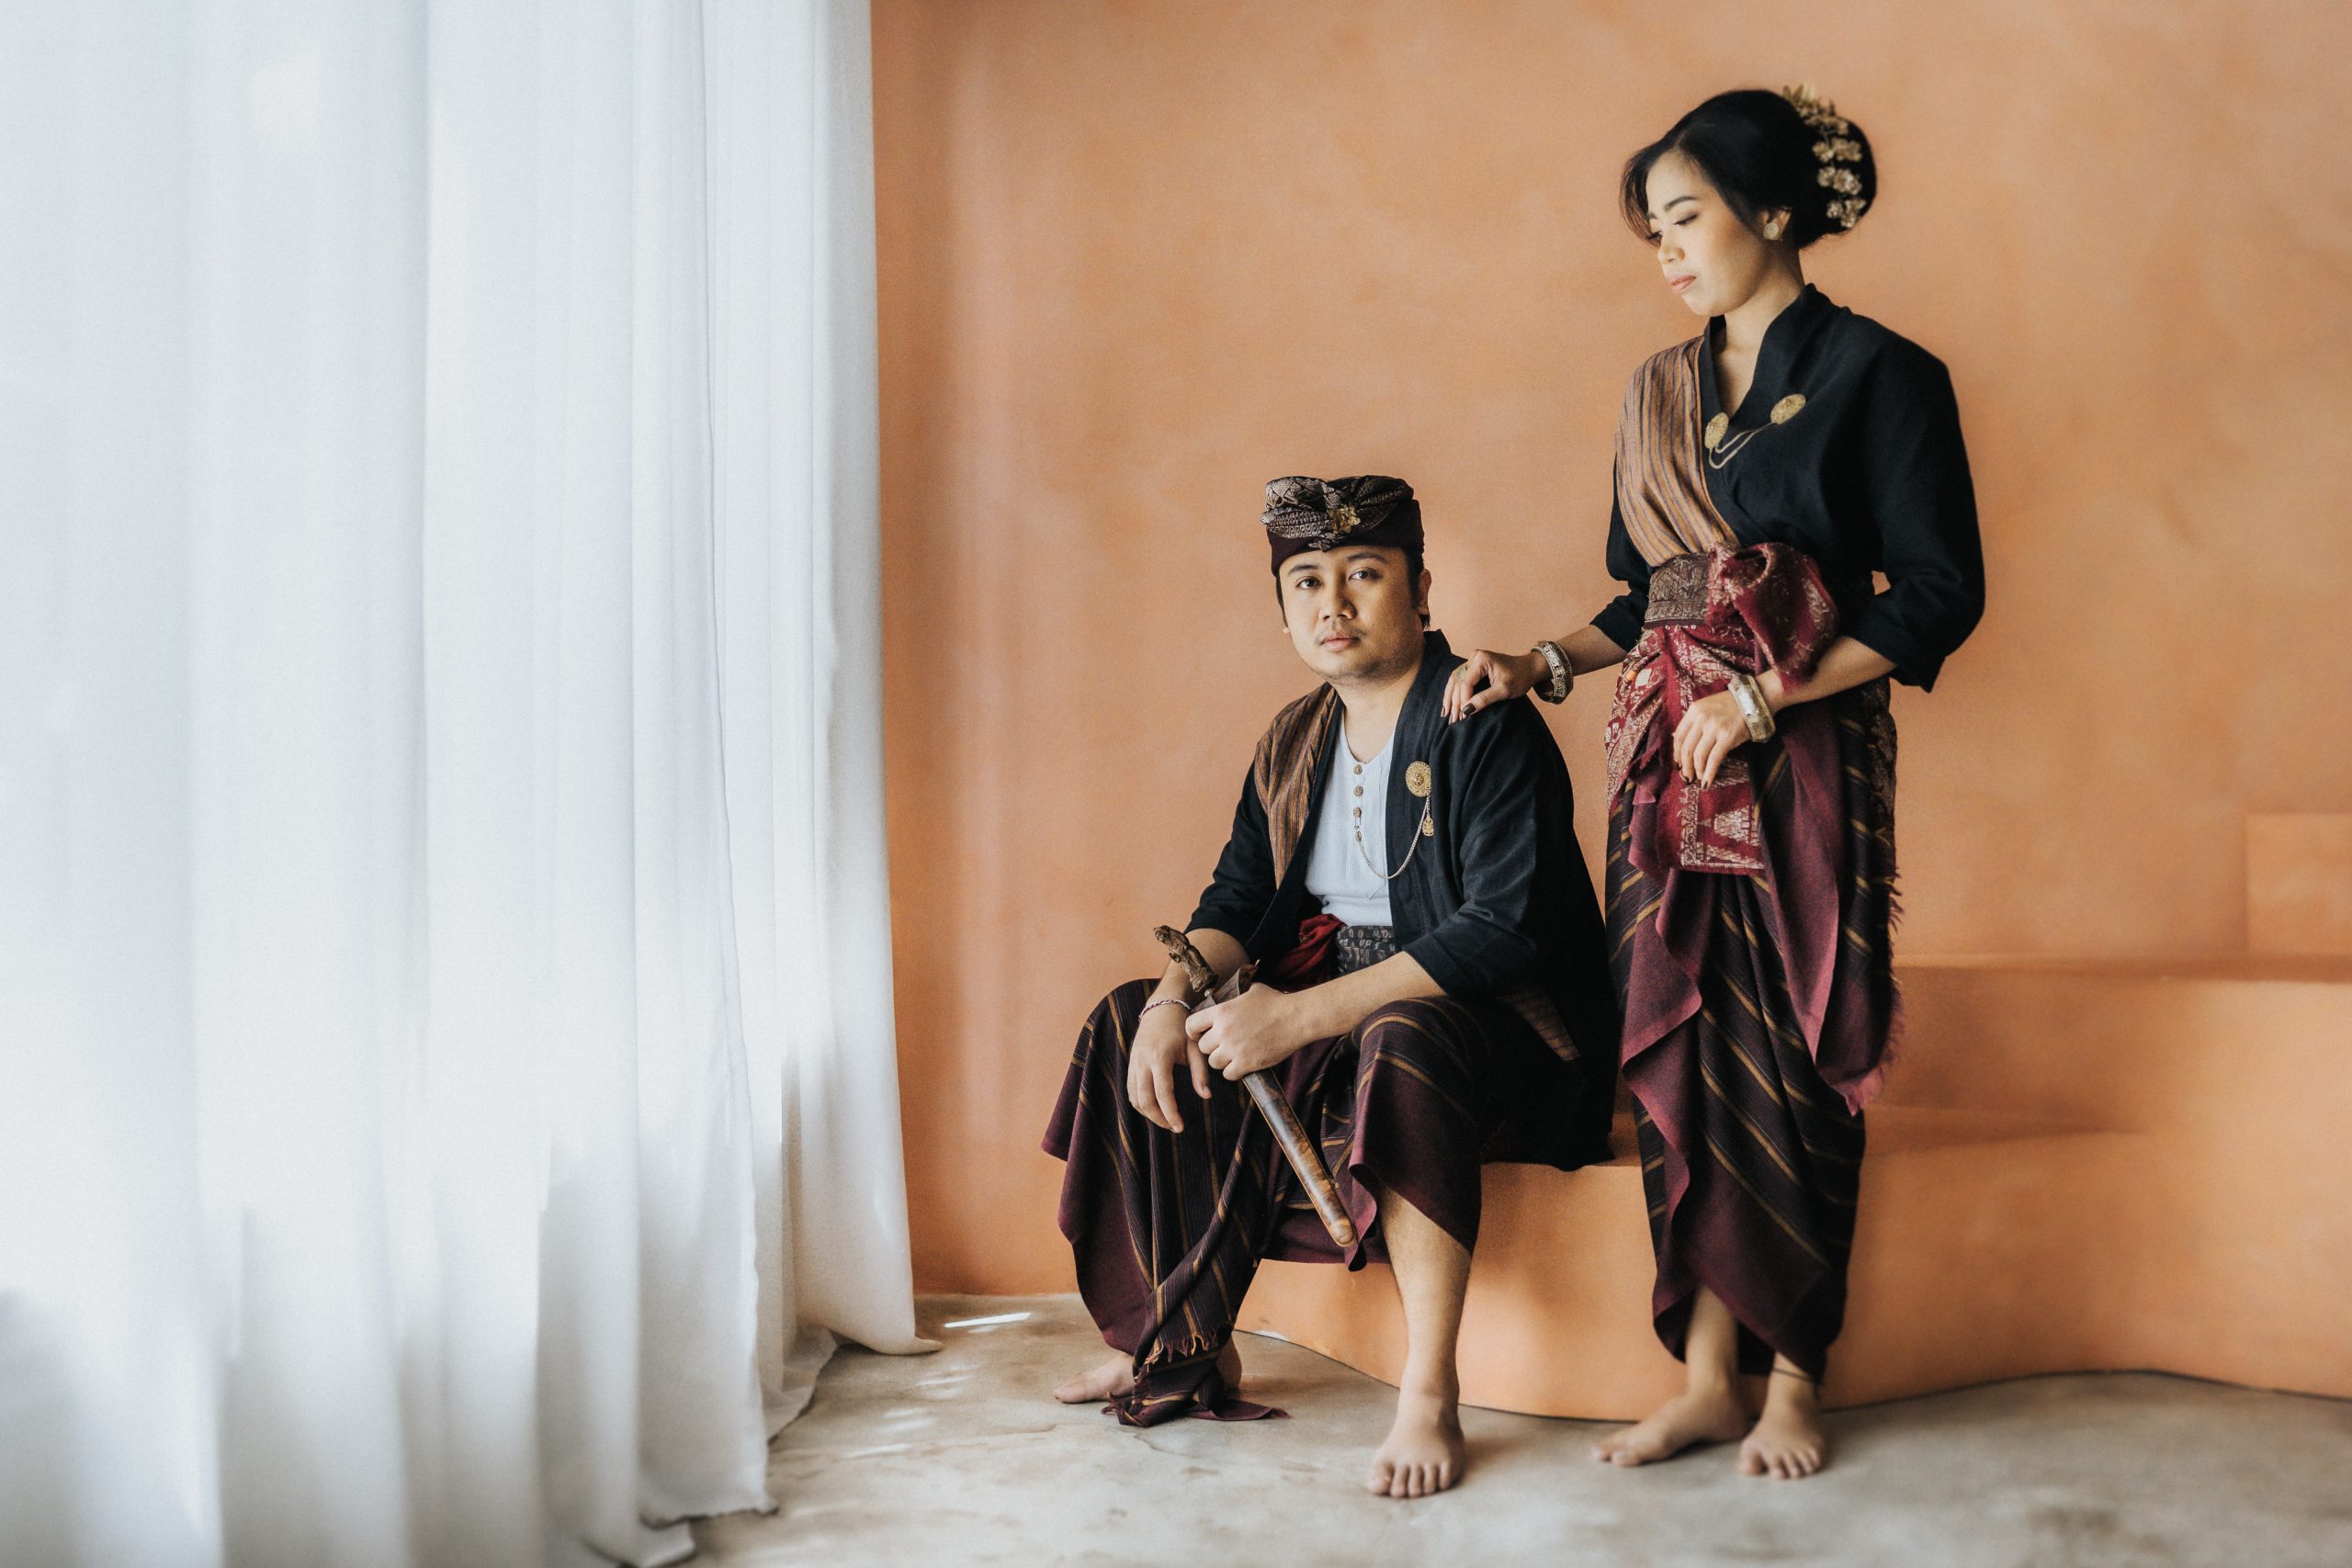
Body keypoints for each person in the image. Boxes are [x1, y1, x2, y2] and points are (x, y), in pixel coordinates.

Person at [1445, 86, 1985, 1481]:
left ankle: (1794, 1378)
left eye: (1686, 218)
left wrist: (1764, 698)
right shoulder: (1657, 392)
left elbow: (1939, 591)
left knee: (1798, 1047)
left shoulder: (1881, 373)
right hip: (1663, 763)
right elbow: (1648, 596)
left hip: (1803, 757)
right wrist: (1537, 663)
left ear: (1775, 210)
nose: (1668, 252)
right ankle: (1699, 1376)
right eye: (1655, 231)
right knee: (1676, 1043)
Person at [1043, 474, 1619, 1499]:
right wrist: (1173, 1000)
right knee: (1129, 1018)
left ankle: (1429, 1388)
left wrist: (1296, 1017)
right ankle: (1182, 1339)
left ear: (1422, 590)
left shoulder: (1483, 717)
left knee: (1404, 1035)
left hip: (1497, 1035)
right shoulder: (1292, 737)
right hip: (1326, 1018)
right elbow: (1235, 897)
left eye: (1364, 574)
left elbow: (1502, 932)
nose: (1333, 603)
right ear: (1283, 610)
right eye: (1306, 581)